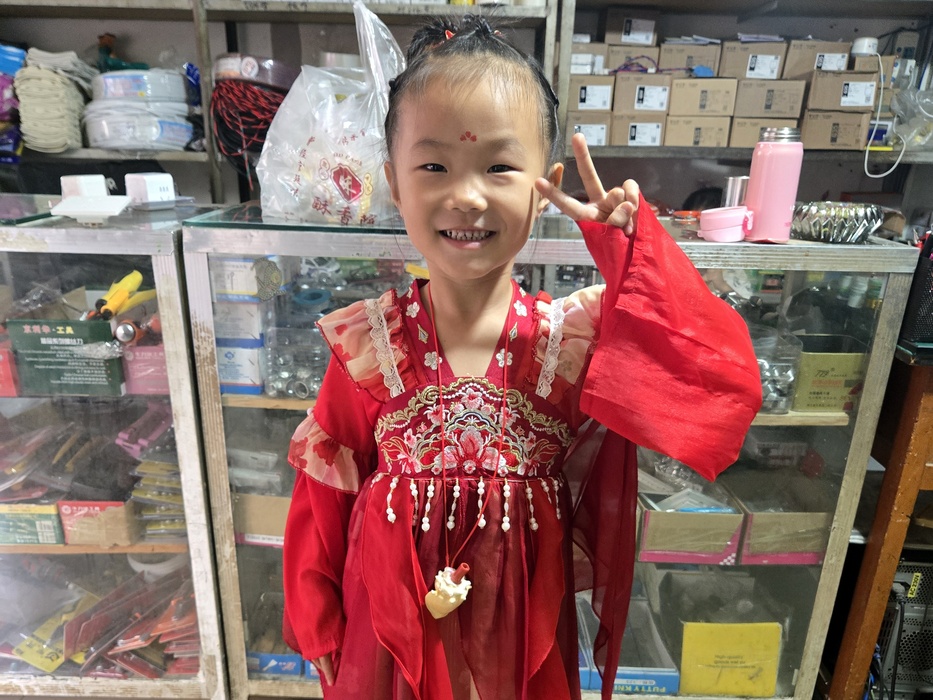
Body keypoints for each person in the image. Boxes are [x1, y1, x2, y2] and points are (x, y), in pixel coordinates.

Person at [283, 15, 762, 700]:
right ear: (393, 181)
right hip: (391, 647)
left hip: (519, 655)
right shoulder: (368, 347)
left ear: (546, 185)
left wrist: (631, 255)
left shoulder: (570, 343)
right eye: (433, 166)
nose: (466, 195)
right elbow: (323, 497)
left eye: (500, 167)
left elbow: (716, 390)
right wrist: (320, 626)